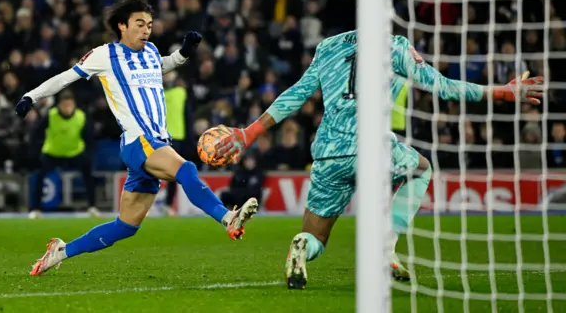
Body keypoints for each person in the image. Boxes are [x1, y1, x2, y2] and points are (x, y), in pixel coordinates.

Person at [213, 31, 544, 289]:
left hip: (329, 153)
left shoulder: (328, 47)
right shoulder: (395, 45)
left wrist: (250, 133)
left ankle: (302, 246)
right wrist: (501, 92)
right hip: (372, 147)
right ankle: (386, 246)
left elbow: (295, 95)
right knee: (421, 169)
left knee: (317, 237)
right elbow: (442, 87)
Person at [14, 0, 259, 276]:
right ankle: (228, 218)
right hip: (138, 140)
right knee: (186, 169)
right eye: (139, 24)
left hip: (155, 143)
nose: (146, 30)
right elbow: (65, 77)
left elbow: (161, 65)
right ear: (122, 25)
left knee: (125, 227)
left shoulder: (152, 51)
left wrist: (183, 54)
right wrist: (30, 97)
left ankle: (60, 251)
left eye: (150, 25)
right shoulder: (104, 55)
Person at [28, 90, 97, 219]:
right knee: (39, 176)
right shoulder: (51, 115)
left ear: (74, 104)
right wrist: (36, 150)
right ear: (59, 105)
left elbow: (89, 137)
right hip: (53, 153)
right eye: (65, 105)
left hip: (75, 152)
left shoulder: (81, 116)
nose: (67, 108)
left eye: (70, 105)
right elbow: (36, 131)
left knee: (88, 174)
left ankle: (92, 207)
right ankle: (35, 209)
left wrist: (88, 153)